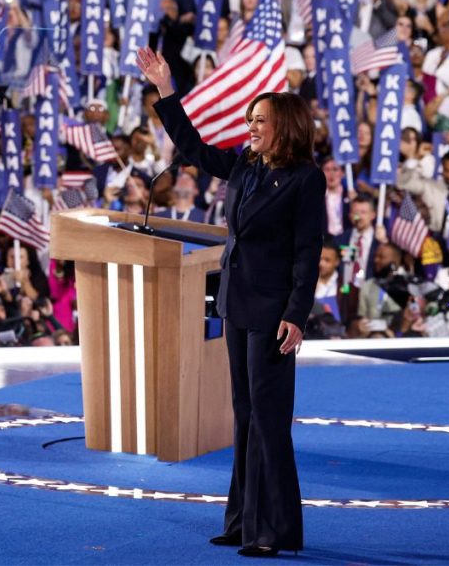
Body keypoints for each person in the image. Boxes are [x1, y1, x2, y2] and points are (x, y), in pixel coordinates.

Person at [137, 47, 323, 557]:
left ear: (283, 125)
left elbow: (308, 255)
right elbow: (193, 149)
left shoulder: (306, 179)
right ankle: (244, 521)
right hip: (237, 307)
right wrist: (166, 90)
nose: (251, 127)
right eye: (249, 119)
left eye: (260, 120)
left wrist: (295, 315)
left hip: (272, 316)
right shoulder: (246, 163)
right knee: (245, 416)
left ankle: (275, 531)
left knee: (267, 420)